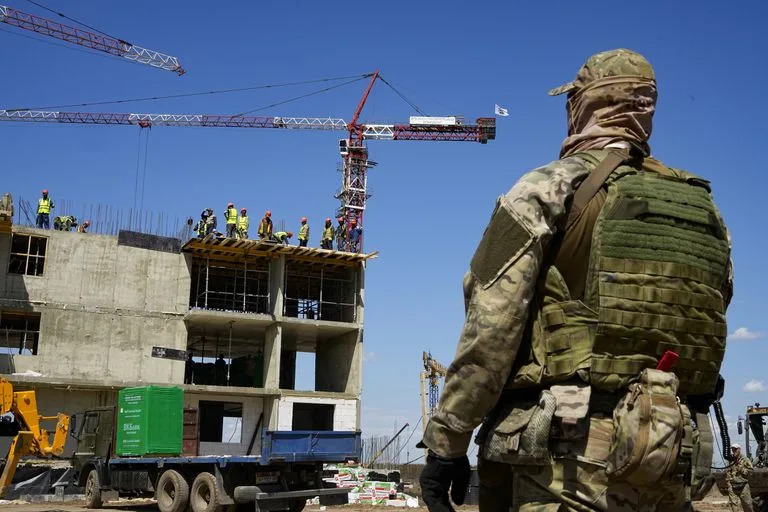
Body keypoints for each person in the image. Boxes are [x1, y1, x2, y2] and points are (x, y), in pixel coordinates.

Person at [418, 49, 733, 512]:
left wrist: (447, 441)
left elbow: (490, 328)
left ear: (580, 106)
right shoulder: (704, 209)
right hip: (672, 451)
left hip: (567, 458)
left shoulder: (547, 187)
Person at [727, 444, 754, 512]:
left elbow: (751, 472)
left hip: (743, 485)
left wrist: (742, 469)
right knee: (733, 505)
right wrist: (728, 483)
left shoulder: (745, 459)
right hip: (732, 485)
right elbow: (728, 471)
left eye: (735, 449)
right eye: (733, 449)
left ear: (739, 449)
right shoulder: (731, 460)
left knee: (748, 505)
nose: (734, 451)